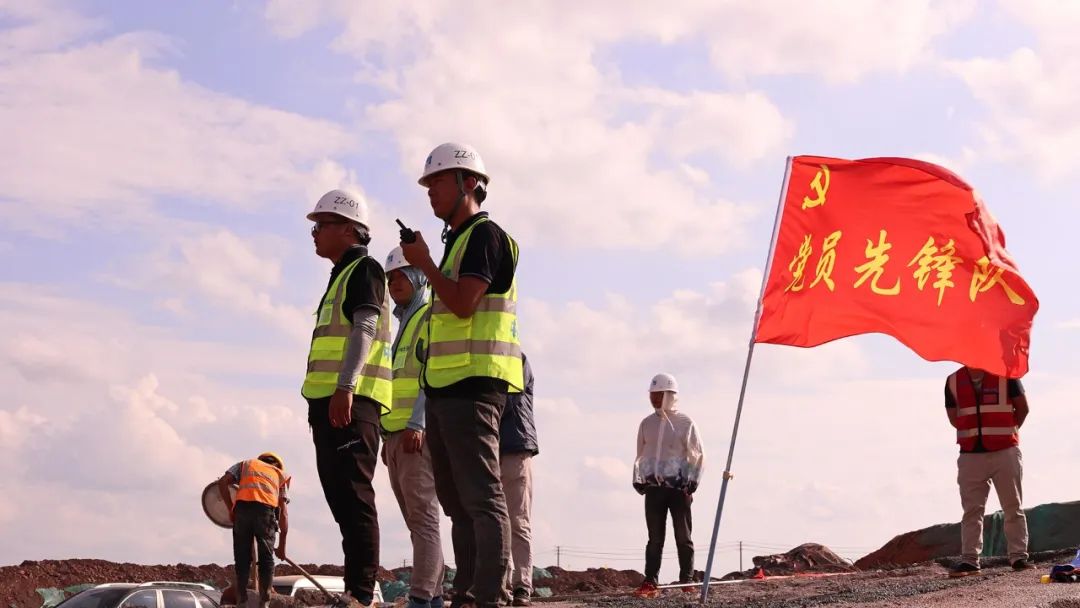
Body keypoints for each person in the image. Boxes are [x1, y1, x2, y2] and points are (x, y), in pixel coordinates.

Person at [400, 142, 523, 608]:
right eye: (428, 184)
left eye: (438, 181)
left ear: (468, 183)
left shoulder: (485, 237)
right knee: (456, 501)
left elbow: (464, 303)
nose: (430, 192)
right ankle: (468, 592)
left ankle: (489, 594)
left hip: (475, 387)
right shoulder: (457, 245)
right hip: (447, 390)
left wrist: (425, 264)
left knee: (481, 497)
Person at [302, 189, 394, 605]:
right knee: (341, 499)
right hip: (330, 406)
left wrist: (346, 387)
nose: (315, 233)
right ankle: (357, 589)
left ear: (349, 229)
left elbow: (365, 329)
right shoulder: (341, 274)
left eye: (322, 225)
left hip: (352, 404)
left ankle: (360, 593)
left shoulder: (365, 270)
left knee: (355, 498)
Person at [381, 246, 445, 608]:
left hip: (414, 435)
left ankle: (421, 598)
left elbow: (429, 376)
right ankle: (434, 596)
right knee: (416, 523)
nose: (394, 283)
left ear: (420, 276)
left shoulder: (427, 316)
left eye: (401, 275)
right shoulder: (402, 323)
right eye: (390, 278)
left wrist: (417, 423)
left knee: (423, 520)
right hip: (395, 435)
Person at [945, 365, 1032, 577]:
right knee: (972, 510)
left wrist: (1006, 432)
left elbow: (1023, 408)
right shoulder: (953, 381)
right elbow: (954, 417)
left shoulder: (1006, 376)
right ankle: (970, 560)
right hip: (970, 455)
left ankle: (1019, 557)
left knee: (1013, 505)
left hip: (1005, 452)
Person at [632, 373, 705, 598]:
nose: (654, 399)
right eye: (652, 395)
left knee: (683, 536)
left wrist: (692, 482)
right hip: (654, 489)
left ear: (670, 395)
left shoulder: (685, 423)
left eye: (659, 395)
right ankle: (650, 581)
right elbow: (641, 453)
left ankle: (687, 580)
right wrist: (638, 478)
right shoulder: (646, 423)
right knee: (655, 538)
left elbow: (697, 453)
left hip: (679, 489)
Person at [217, 452, 290, 608]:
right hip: (265, 512)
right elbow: (283, 513)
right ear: (277, 464)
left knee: (242, 560)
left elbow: (223, 483)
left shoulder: (245, 465)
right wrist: (282, 546)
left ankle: (241, 601)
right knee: (266, 558)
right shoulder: (280, 475)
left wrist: (231, 509)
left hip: (242, 509)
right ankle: (265, 600)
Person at [500, 354, 537, 606]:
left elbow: (508, 398)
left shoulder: (516, 359)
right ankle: (502, 583)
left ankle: (521, 585)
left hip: (514, 446)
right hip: (492, 447)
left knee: (517, 520)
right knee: (495, 521)